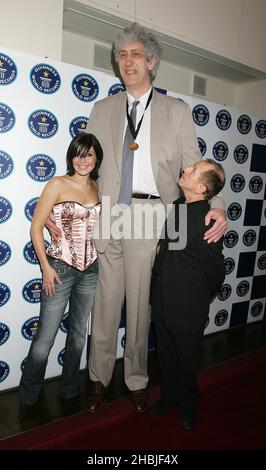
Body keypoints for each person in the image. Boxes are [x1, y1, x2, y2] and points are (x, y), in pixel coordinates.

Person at [47, 22, 227, 414]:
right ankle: (98, 378)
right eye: (122, 55)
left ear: (152, 62)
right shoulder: (102, 109)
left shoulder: (176, 111)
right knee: (106, 302)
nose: (127, 61)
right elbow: (86, 168)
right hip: (110, 211)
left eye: (136, 55)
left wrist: (217, 208)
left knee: (142, 304)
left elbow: (197, 168)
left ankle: (137, 379)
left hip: (151, 213)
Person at [19, 133, 103, 416]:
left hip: (91, 269)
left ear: (96, 159)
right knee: (45, 337)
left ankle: (69, 389)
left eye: (89, 154)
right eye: (78, 154)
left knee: (79, 335)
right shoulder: (57, 183)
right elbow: (36, 227)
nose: (83, 160)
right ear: (71, 157)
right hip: (60, 269)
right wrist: (45, 267)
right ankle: (29, 394)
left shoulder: (98, 188)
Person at [150, 159, 226, 430]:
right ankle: (168, 397)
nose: (186, 170)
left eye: (193, 170)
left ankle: (189, 405)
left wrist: (196, 298)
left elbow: (216, 271)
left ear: (202, 187)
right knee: (165, 354)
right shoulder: (178, 206)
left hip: (187, 304)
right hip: (160, 295)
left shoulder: (208, 220)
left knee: (186, 360)